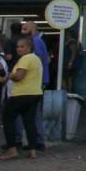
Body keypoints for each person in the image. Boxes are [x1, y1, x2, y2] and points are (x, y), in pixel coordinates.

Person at [0, 36, 43, 160]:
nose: (19, 49)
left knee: (7, 119)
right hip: (35, 93)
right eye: (18, 46)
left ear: (29, 48)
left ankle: (12, 149)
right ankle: (32, 150)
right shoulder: (36, 59)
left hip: (21, 94)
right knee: (29, 122)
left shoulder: (25, 58)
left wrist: (9, 76)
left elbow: (19, 76)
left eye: (22, 46)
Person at [20, 21, 49, 151]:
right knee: (33, 111)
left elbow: (34, 60)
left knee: (33, 111)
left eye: (26, 26)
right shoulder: (38, 41)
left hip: (36, 81)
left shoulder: (35, 42)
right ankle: (36, 140)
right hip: (39, 80)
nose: (23, 28)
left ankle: (37, 140)